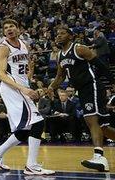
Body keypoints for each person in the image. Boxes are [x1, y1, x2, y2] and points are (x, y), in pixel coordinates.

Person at [0, 19, 54, 175]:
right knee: (38, 123)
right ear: (4, 32)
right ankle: (32, 166)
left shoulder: (24, 45)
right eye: (6, 28)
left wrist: (30, 82)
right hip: (12, 88)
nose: (9, 29)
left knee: (25, 129)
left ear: (18, 28)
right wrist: (23, 89)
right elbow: (1, 75)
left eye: (12, 26)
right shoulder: (3, 48)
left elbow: (22, 71)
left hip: (22, 87)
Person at [48, 26, 115, 172]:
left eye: (62, 33)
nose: (58, 36)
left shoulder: (79, 49)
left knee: (91, 120)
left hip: (92, 86)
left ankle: (99, 158)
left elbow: (101, 65)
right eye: (57, 33)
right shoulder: (60, 55)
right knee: (102, 127)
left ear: (71, 36)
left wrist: (112, 82)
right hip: (82, 91)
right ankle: (100, 157)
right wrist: (51, 88)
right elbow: (60, 77)